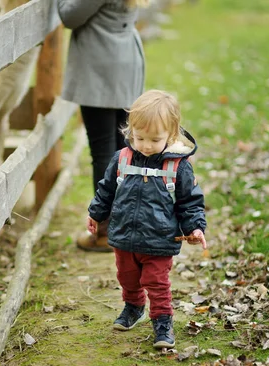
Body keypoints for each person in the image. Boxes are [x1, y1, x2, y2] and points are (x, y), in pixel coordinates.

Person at [86, 90, 207, 349]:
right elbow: (106, 189)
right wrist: (96, 214)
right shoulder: (122, 159)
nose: (146, 145)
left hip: (159, 240)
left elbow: (189, 201)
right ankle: (133, 307)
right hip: (125, 237)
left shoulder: (178, 167)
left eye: (155, 139)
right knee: (127, 277)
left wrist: (196, 227)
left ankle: (162, 321)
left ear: (171, 135)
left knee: (157, 282)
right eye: (139, 137)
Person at [57, 0, 149, 252]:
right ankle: (126, 223)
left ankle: (105, 231)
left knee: (104, 152)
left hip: (101, 68)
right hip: (125, 61)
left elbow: (69, 16)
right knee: (123, 149)